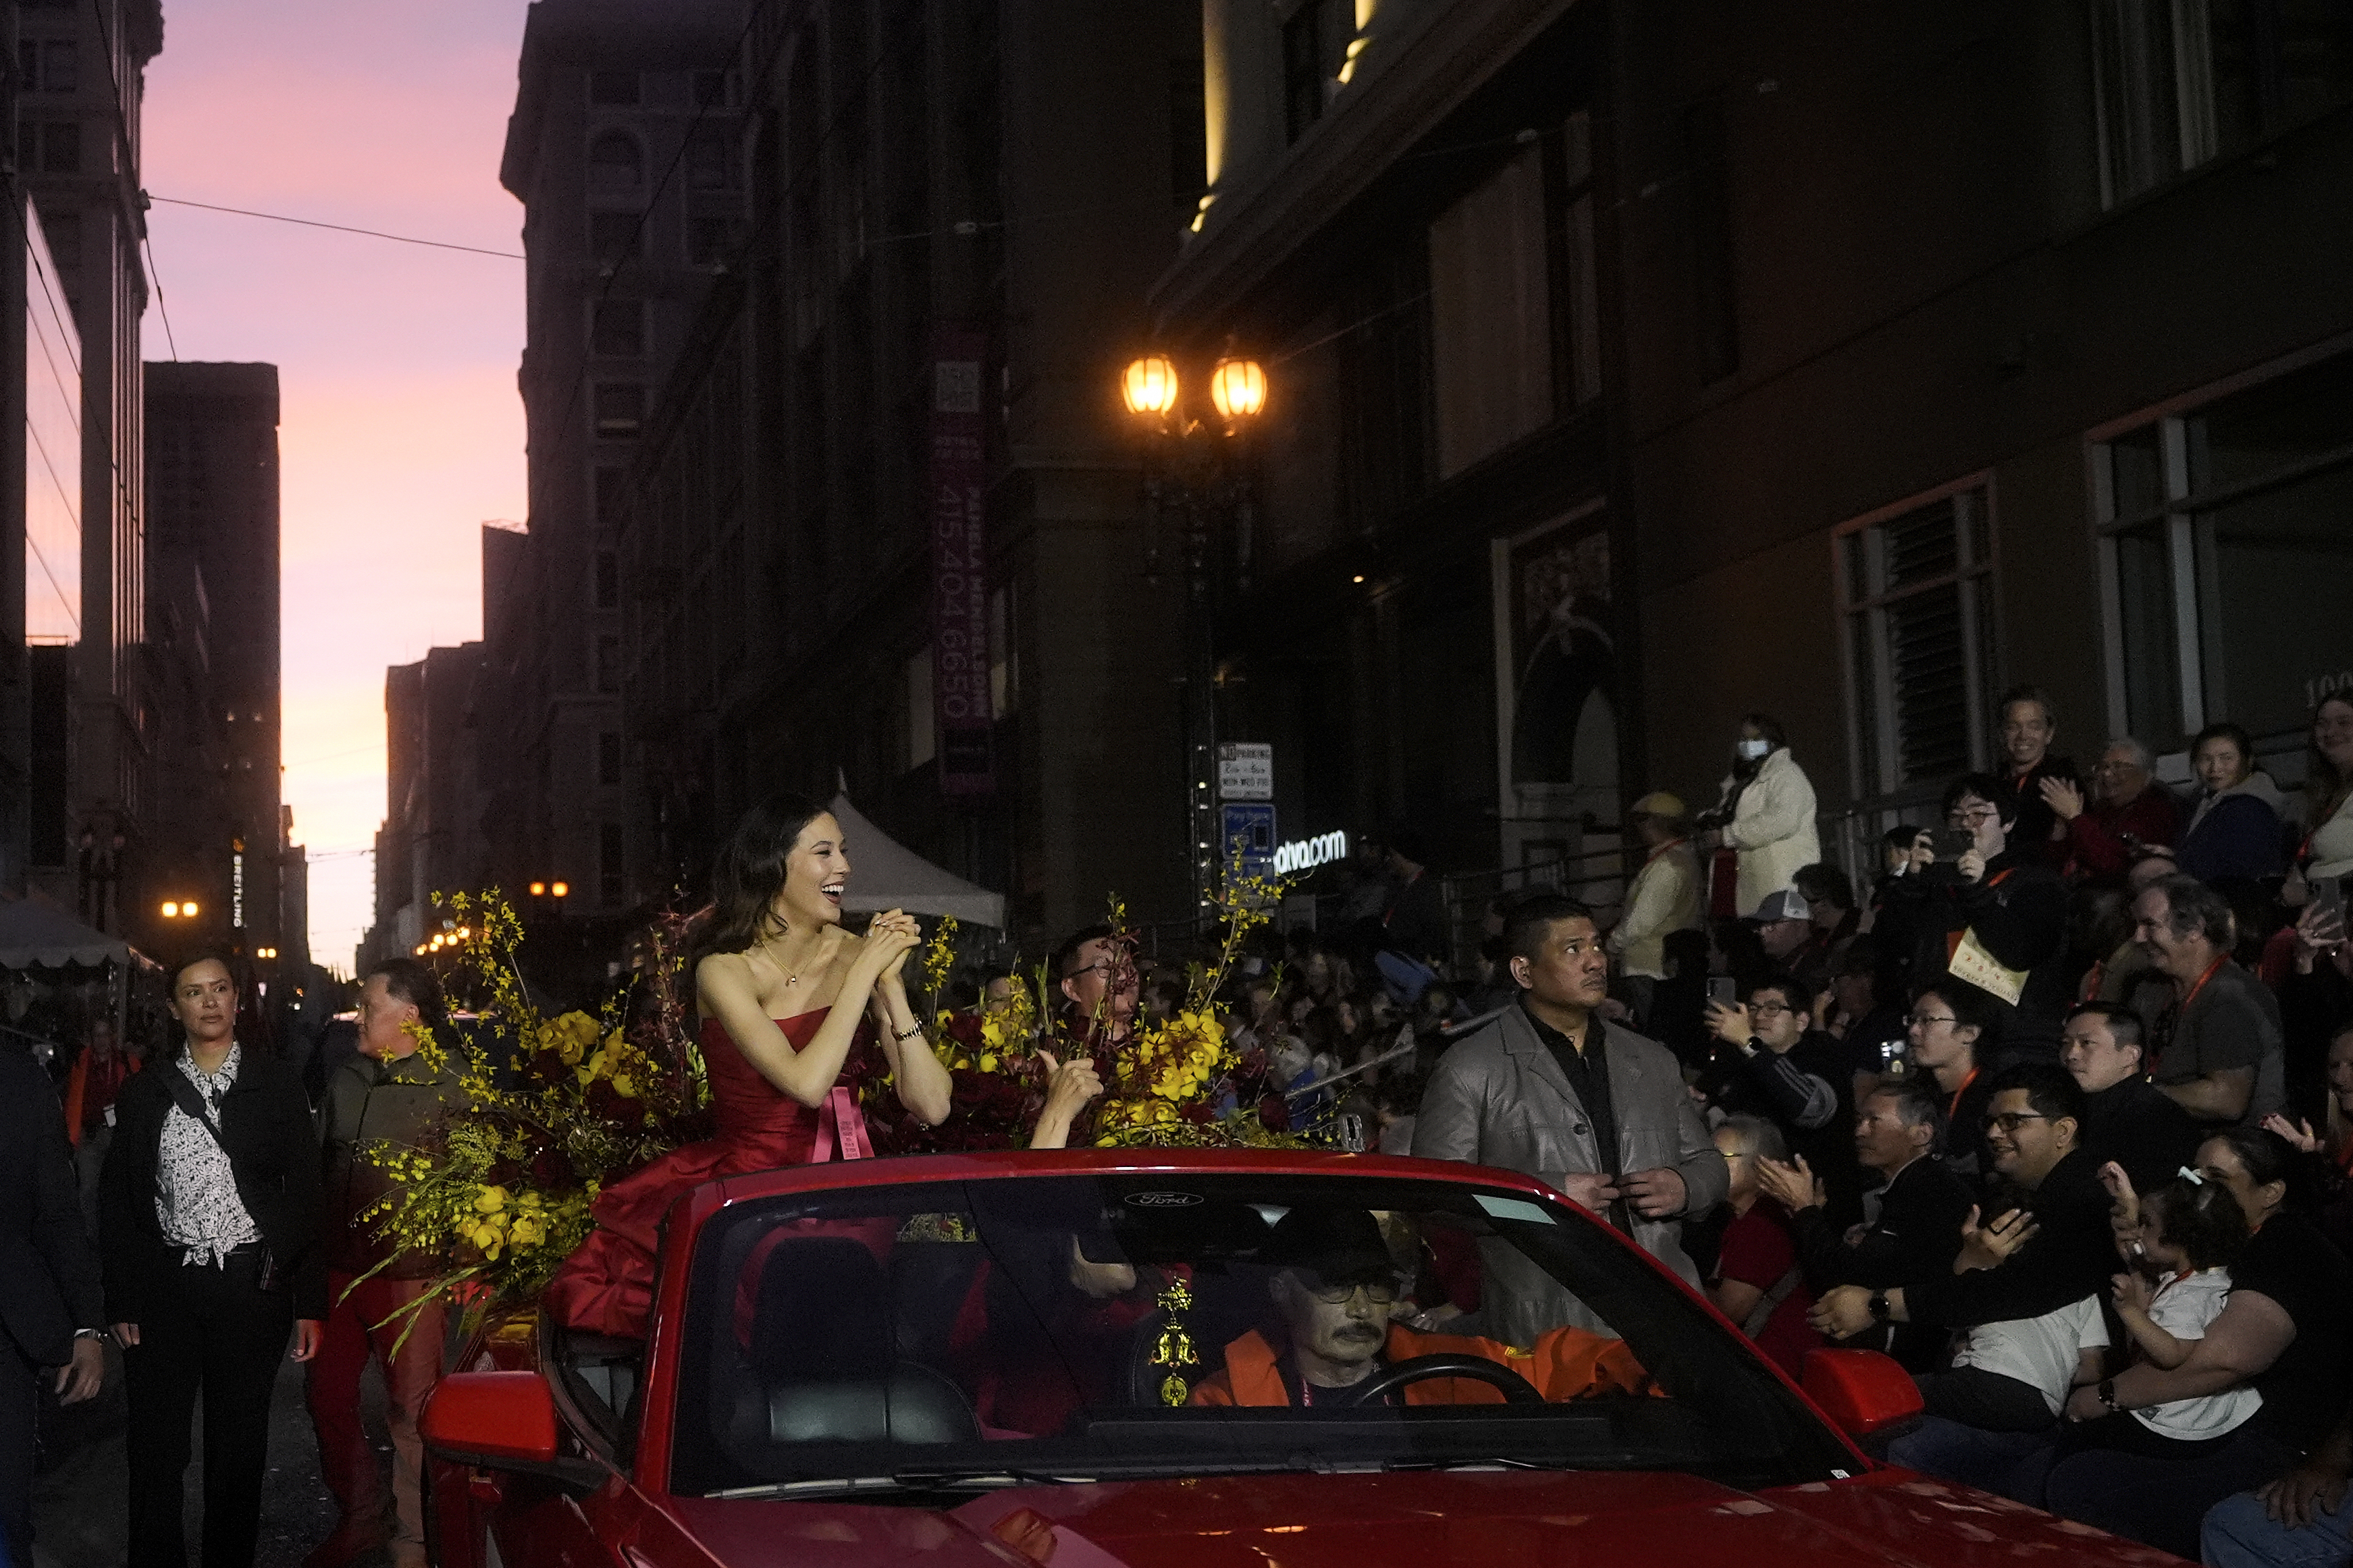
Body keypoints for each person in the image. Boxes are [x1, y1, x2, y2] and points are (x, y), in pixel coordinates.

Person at [546, 794, 943, 1337]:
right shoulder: (723, 970)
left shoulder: (860, 954)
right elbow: (805, 1084)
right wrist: (863, 973)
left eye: (843, 852)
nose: (844, 867)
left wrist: (891, 987)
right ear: (771, 866)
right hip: (754, 1193)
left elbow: (932, 1106)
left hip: (850, 1185)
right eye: (824, 852)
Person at [1415, 894, 1725, 1341]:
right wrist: (1544, 1196)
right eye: (1572, 949)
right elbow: (1438, 1195)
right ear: (1523, 971)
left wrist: (1685, 1186)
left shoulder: (1651, 1058)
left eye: (1596, 945)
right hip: (1544, 1326)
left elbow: (1709, 1164)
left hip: (1663, 1312)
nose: (1595, 961)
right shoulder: (1471, 1066)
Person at [100, 954, 325, 1568]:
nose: (208, 1002)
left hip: (249, 1288)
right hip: (166, 1289)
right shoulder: (145, 1092)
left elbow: (305, 1193)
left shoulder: (275, 1082)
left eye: (219, 988)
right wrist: (120, 1298)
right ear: (174, 1007)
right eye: (193, 992)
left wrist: (309, 1301)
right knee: (155, 1448)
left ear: (235, 1000)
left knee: (238, 1448)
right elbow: (119, 1201)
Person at [2040, 1129, 2353, 1561]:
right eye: (2193, 1174)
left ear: (2272, 1192)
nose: (2197, 1188)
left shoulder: (2288, 1247)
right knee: (2066, 1458)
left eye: (2216, 1178)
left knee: (2082, 1483)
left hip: (2273, 1446)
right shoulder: (2235, 1242)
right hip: (2225, 1426)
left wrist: (2106, 1397)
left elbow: (2222, 1363)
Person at [305, 959, 470, 1568]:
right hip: (340, 1272)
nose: (359, 1013)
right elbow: (316, 1167)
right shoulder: (345, 1078)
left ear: (409, 1015)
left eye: (370, 1004)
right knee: (325, 1396)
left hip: (410, 1275)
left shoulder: (454, 1087)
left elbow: (483, 1181)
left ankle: (413, 1540)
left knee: (411, 1411)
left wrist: (467, 1263)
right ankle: (361, 1516)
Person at [1188, 1207, 1649, 1407]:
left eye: (1376, 1287)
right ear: (1282, 1290)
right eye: (1337, 1286)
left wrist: (1674, 1364)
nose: (1361, 1307)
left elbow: (1571, 1360)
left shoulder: (1454, 1371)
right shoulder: (1227, 1402)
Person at [1756, 1077, 1974, 1372]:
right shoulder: (1917, 1186)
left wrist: (1804, 1209)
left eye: (1875, 1121)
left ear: (1922, 1134)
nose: (1860, 1131)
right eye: (1860, 1120)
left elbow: (1850, 1279)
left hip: (1903, 1367)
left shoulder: (1929, 1191)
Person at [1, 1028, 107, 1568]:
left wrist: (87, 1327)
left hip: (6, 1333)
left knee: (6, 1516)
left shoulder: (18, 1078)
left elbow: (58, 1213)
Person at [1877, 773, 2069, 1060]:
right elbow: (1889, 945)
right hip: (1941, 1039)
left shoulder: (2037, 881)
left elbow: (2020, 952)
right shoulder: (1936, 885)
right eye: (1956, 817)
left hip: (2012, 1042)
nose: (1966, 824)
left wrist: (1977, 889)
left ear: (2008, 822)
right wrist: (1912, 882)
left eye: (1979, 814)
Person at [1700, 975, 1861, 1224]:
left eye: (1773, 1009)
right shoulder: (1744, 1062)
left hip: (1820, 1217)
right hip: (1754, 1211)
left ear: (1801, 1021)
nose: (1759, 1016)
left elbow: (1811, 1108)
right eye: (1753, 1008)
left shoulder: (1821, 1057)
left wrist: (1748, 1042)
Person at [2134, 873, 2285, 1128]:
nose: (2138, 937)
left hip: (2233, 1154)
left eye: (2149, 925)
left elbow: (2227, 1099)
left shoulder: (2231, 997)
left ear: (2194, 929)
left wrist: (2135, 1095)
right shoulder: (2155, 989)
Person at [1706, 1116, 1820, 1378]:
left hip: (1773, 1373)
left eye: (1721, 1156)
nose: (1708, 1168)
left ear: (1762, 1167)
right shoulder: (1745, 1219)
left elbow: (1726, 1312)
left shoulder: (1762, 1225)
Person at [2061, 1001, 2204, 1196]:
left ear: (2130, 1055)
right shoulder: (2069, 1104)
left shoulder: (2156, 1120)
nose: (2071, 1054)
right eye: (2065, 1043)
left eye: (2087, 1043)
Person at [1697, 713, 1819, 917]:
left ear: (1772, 742)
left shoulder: (1787, 774)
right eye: (1743, 740)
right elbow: (1731, 814)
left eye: (1754, 740)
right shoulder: (1742, 781)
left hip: (1776, 881)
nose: (1746, 745)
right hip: (1740, 879)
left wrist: (1727, 835)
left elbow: (1781, 821)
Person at [1606, 791, 1701, 1030]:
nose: (1639, 829)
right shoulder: (1683, 858)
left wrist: (1612, 944)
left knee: (1649, 1029)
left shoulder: (1666, 866)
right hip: (1664, 961)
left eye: (1642, 821)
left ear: (1655, 823)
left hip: (1649, 962)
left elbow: (1643, 918)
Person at [2047, 737, 2184, 884]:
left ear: (2146, 776)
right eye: (2102, 767)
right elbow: (2056, 860)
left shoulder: (2155, 812)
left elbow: (2110, 864)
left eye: (2118, 767)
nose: (2106, 774)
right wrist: (2062, 822)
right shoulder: (2104, 809)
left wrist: (2075, 817)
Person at [1906, 979, 2001, 1181]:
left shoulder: (1993, 1101)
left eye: (1927, 1020)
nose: (1913, 1030)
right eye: (1913, 1020)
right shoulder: (1919, 1095)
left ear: (1969, 1032)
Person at [2180, 723, 2289, 886]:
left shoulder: (2252, 809)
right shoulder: (2199, 802)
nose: (2215, 768)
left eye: (2227, 758)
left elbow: (2234, 872)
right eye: (2206, 759)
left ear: (2248, 761)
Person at [1999, 685, 2080, 867]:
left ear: (2049, 734)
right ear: (2002, 735)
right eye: (2013, 727)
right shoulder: (1994, 785)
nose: (2023, 736)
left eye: (2034, 727)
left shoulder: (2061, 781)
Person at [2298, 693, 2353, 884]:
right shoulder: (2324, 793)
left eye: (2344, 723)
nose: (2330, 732)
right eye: (2322, 724)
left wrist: (2312, 891)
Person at [1379, 829, 1450, 963]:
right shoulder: (1400, 887)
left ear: (1406, 856)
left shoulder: (1426, 888)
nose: (1389, 860)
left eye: (1393, 855)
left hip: (1416, 958)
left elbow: (1429, 927)